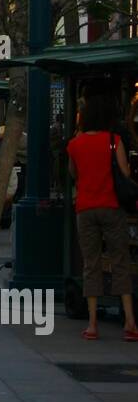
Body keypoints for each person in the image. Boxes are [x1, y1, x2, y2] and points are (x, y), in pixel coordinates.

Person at [67, 89, 138, 342]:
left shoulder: (74, 144)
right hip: (111, 206)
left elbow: (74, 175)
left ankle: (93, 323)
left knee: (91, 264)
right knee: (120, 261)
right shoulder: (113, 140)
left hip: (85, 208)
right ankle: (129, 321)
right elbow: (125, 174)